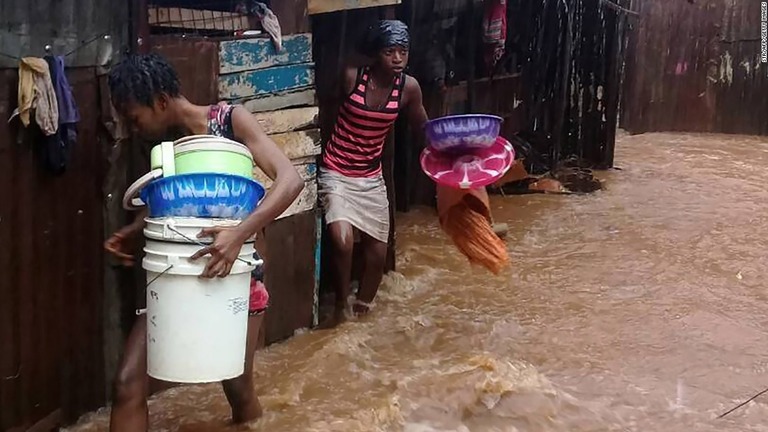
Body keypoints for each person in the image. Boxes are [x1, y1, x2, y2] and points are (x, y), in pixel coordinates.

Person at [103, 53, 303, 431]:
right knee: (128, 383)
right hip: (175, 274)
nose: (133, 128)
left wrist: (237, 234)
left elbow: (291, 181)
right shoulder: (167, 147)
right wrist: (135, 230)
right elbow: (179, 203)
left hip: (235, 275)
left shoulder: (229, 122)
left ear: (161, 102)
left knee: (239, 388)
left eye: (134, 117)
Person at [319, 20, 429, 327]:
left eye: (402, 52)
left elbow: (423, 128)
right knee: (341, 240)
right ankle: (341, 304)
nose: (397, 59)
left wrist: (449, 153)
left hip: (370, 176)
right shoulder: (352, 77)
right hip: (337, 170)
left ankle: (363, 310)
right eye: (389, 52)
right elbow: (325, 112)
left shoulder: (409, 89)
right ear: (375, 54)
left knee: (378, 253)